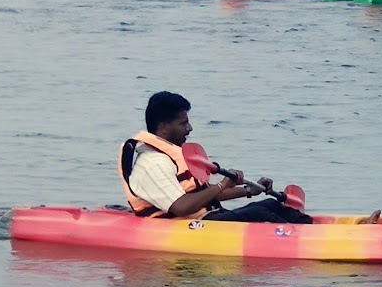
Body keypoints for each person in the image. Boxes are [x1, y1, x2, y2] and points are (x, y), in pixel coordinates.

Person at [119, 91, 313, 222]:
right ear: (162, 127)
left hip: (206, 218)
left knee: (270, 203)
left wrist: (248, 190)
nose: (190, 128)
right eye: (183, 123)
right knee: (259, 213)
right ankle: (304, 242)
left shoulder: (168, 156)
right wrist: (223, 184)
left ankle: (312, 229)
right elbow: (181, 207)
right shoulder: (152, 164)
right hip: (187, 225)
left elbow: (201, 194)